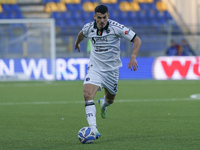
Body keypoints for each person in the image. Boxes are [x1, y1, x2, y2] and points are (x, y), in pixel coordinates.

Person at [74, 5, 141, 139]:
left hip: (111, 70)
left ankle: (103, 104)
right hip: (95, 67)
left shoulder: (116, 28)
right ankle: (93, 129)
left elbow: (137, 40)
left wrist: (133, 57)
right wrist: (77, 43)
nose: (102, 20)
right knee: (87, 94)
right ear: (95, 17)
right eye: (99, 18)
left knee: (110, 99)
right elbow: (82, 34)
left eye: (104, 17)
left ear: (108, 17)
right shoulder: (89, 28)